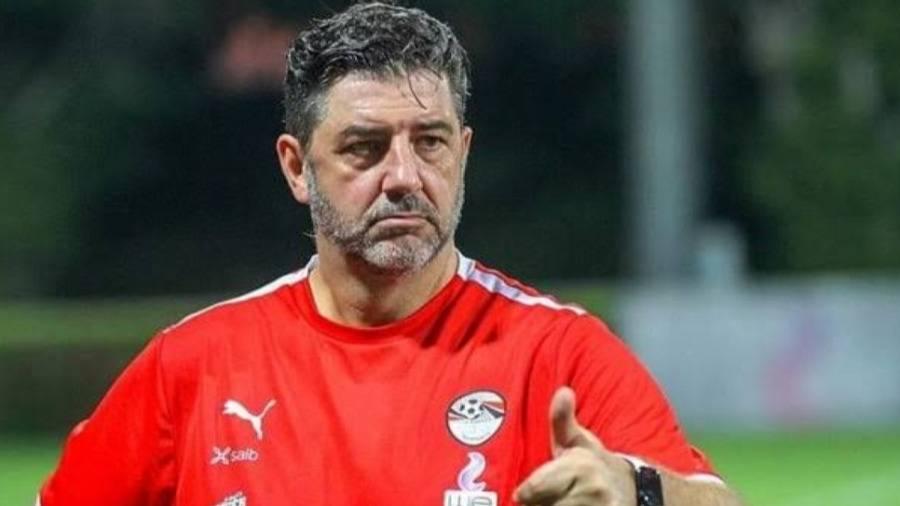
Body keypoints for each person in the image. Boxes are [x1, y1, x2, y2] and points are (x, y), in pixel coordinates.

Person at [39, 2, 742, 505]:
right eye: (365, 147)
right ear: (296, 167)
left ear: (462, 153)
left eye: (430, 142)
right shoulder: (193, 366)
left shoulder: (558, 354)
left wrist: (638, 488)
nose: (404, 176)